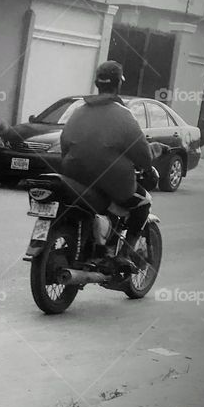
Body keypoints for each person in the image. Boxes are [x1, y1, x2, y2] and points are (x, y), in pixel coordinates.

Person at [60, 60, 154, 272]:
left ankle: (100, 245)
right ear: (118, 85)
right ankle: (121, 254)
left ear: (97, 83)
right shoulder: (123, 115)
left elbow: (64, 143)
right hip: (111, 183)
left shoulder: (78, 111)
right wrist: (146, 166)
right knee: (143, 202)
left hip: (75, 177)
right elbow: (142, 153)